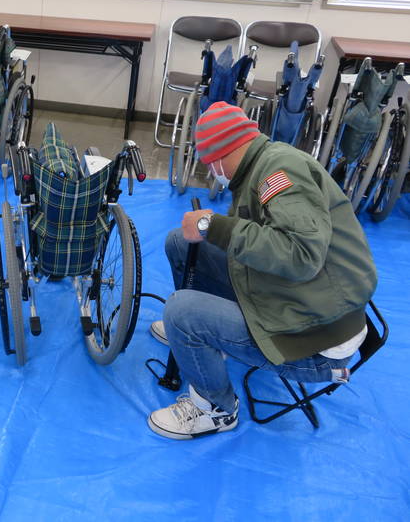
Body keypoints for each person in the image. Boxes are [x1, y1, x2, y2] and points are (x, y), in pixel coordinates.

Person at [147, 101, 377, 440]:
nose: (211, 172)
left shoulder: (278, 174)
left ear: (224, 152)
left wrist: (213, 225)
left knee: (181, 311)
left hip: (316, 343)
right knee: (181, 243)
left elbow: (301, 254)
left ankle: (215, 408)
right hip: (305, 301)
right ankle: (205, 334)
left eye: (209, 163)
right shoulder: (266, 163)